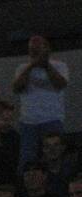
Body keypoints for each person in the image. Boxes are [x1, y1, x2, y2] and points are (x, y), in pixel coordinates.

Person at [13, 35, 70, 169]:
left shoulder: (60, 66)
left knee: (55, 158)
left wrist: (46, 65)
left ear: (47, 49)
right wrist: (31, 65)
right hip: (28, 121)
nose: (34, 52)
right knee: (27, 158)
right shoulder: (22, 68)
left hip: (52, 118)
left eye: (38, 49)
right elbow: (17, 88)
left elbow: (60, 84)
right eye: (32, 49)